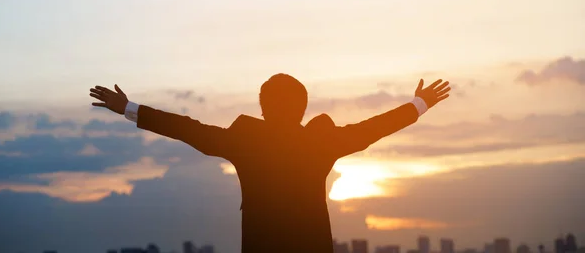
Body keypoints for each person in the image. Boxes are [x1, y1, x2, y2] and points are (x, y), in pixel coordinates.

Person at [90, 73, 450, 253]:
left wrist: (129, 108)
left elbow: (187, 129)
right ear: (303, 107)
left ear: (263, 105)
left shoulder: (246, 142)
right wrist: (419, 105)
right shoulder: (320, 142)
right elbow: (374, 127)